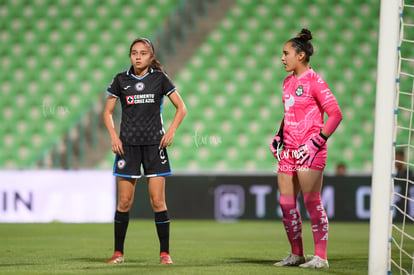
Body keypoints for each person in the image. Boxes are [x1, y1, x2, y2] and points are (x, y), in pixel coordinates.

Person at [103, 37, 187, 265]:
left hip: (154, 146)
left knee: (158, 201)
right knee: (124, 202)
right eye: (134, 53)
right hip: (127, 147)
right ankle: (118, 253)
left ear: (151, 57)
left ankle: (165, 254)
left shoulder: (160, 79)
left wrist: (170, 131)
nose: (137, 56)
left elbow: (181, 107)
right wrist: (113, 136)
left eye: (142, 53)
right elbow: (107, 112)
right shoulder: (120, 80)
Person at [269, 28, 343, 269]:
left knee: (312, 202)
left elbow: (335, 115)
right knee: (286, 203)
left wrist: (316, 142)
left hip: (309, 149)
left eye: (286, 53)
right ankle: (297, 254)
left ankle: (320, 257)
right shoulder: (287, 83)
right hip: (288, 150)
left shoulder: (315, 82)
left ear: (300, 55)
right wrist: (279, 135)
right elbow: (288, 113)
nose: (282, 58)